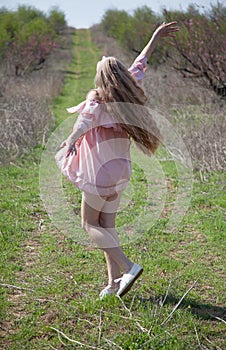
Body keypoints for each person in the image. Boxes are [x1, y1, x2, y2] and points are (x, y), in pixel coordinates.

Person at [56, 22, 179, 299]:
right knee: (107, 226)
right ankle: (113, 285)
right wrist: (155, 37)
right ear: (121, 77)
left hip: (98, 174)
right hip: (120, 171)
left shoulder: (96, 103)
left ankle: (128, 267)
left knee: (89, 225)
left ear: (100, 79)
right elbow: (140, 63)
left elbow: (83, 123)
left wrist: (72, 139)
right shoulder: (127, 92)